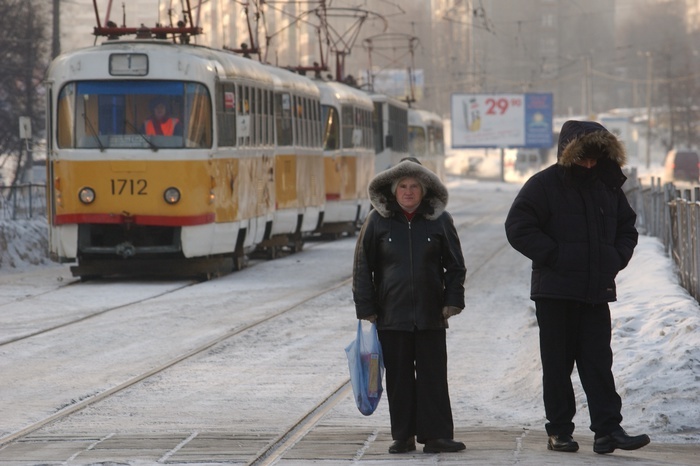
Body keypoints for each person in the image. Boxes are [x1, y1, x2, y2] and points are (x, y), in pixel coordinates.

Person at [504, 120, 651, 455]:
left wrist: (614, 257)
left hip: (595, 291)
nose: (588, 164)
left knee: (598, 363)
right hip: (554, 292)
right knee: (557, 365)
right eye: (583, 157)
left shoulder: (608, 185)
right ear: (569, 154)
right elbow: (517, 226)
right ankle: (559, 431)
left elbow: (627, 228)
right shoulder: (544, 185)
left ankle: (608, 431)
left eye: (594, 157)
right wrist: (554, 255)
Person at [352, 157, 467, 454]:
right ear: (393, 190)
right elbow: (362, 267)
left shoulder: (440, 220)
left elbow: (455, 265)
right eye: (402, 186)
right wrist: (367, 309)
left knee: (433, 377)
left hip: (431, 314)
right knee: (400, 379)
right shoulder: (377, 221)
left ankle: (437, 435)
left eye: (414, 186)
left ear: (424, 189)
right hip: (392, 315)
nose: (408, 191)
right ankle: (403, 435)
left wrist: (452, 301)